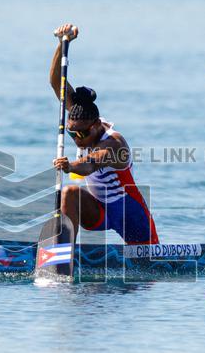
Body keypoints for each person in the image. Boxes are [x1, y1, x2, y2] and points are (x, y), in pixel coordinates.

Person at [49, 23, 159, 245]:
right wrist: (62, 44)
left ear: (97, 125)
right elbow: (56, 82)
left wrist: (70, 166)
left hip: (128, 211)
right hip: (98, 209)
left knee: (149, 261)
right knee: (69, 193)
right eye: (72, 134)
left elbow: (90, 164)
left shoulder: (115, 143)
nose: (77, 139)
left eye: (82, 134)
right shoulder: (81, 121)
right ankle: (64, 250)